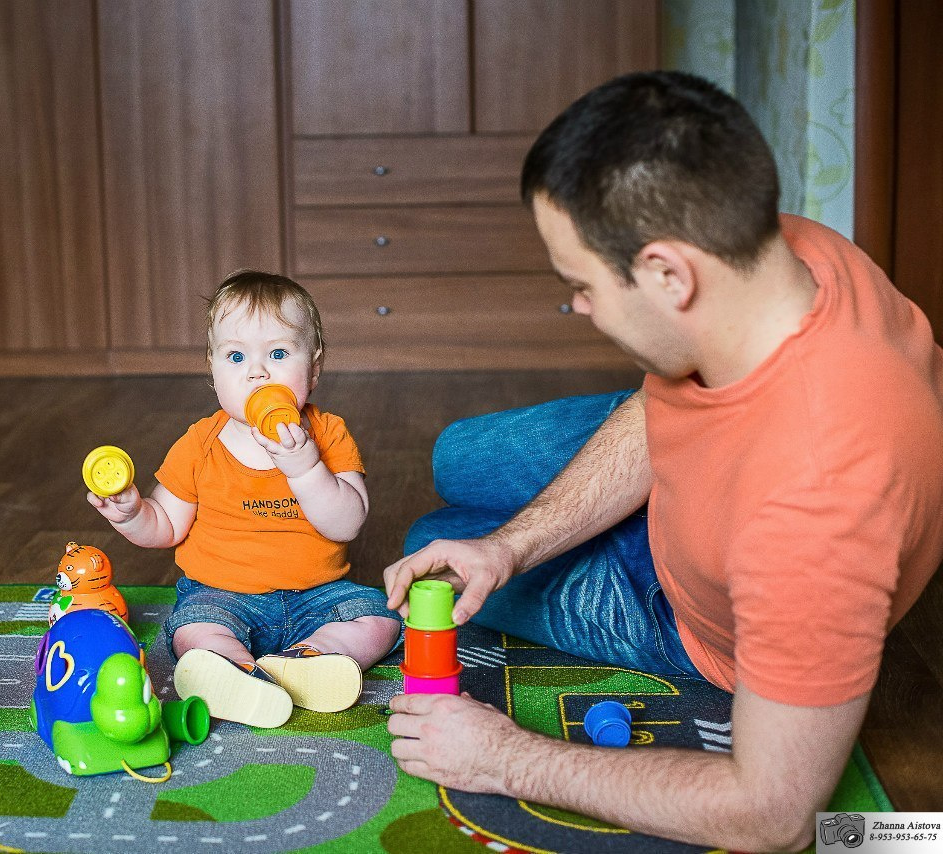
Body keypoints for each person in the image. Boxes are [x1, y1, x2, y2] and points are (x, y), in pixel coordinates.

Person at [382, 71, 943, 852]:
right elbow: (666, 404)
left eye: (582, 285)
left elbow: (772, 816)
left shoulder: (816, 509)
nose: (576, 307)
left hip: (694, 609)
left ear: (669, 275)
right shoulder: (781, 255)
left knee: (423, 546)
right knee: (457, 462)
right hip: (721, 490)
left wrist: (503, 757)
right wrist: (507, 546)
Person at [90, 269, 401, 728]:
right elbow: (166, 526)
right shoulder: (200, 443)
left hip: (318, 594)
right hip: (221, 595)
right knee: (195, 629)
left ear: (313, 370)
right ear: (213, 371)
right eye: (236, 356)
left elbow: (346, 523)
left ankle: (312, 658)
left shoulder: (328, 434)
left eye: (277, 353)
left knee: (380, 617)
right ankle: (233, 669)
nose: (257, 371)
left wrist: (305, 467)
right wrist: (133, 513)